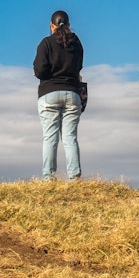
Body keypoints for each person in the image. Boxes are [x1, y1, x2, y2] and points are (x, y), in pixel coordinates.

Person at [33, 10, 84, 181]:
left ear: (51, 25)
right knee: (70, 137)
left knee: (50, 137)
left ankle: (49, 177)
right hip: (72, 93)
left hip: (49, 93)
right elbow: (78, 67)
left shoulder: (45, 43)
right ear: (68, 25)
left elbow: (40, 71)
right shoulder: (76, 43)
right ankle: (74, 177)